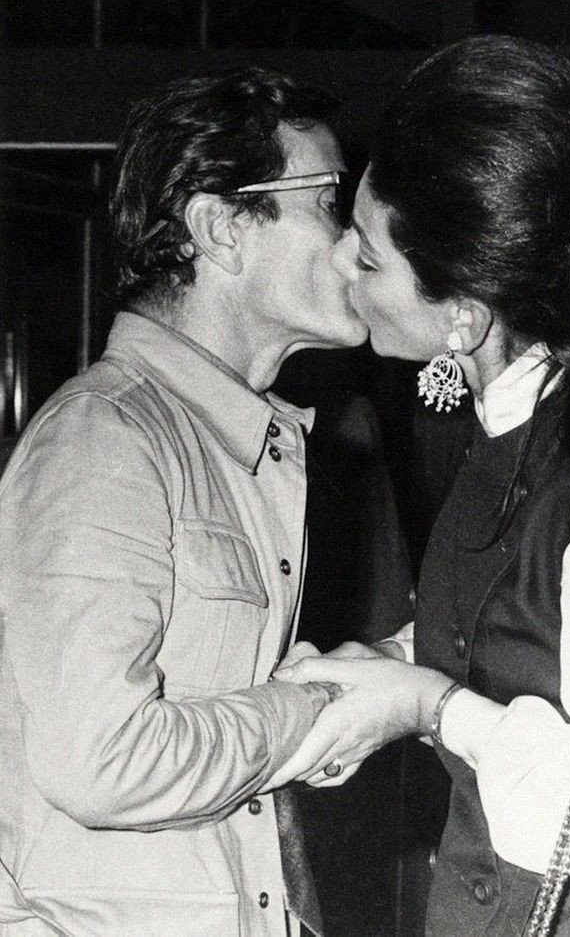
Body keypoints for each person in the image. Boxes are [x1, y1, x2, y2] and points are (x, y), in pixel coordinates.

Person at [272, 35, 570, 936]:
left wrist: (429, 708)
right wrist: (386, 666)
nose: (338, 264)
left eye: (368, 257)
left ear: (463, 315)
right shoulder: (511, 431)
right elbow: (529, 633)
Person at [0, 67, 367, 937]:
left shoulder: (233, 440)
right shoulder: (105, 438)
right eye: (329, 203)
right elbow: (105, 764)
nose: (357, 244)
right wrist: (317, 706)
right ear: (222, 228)